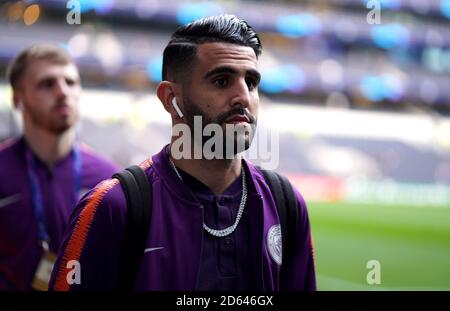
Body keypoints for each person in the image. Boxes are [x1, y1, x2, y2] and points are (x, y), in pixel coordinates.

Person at [50, 15, 316, 291]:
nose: (244, 97)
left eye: (250, 82)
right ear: (170, 99)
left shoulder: (286, 203)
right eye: (222, 81)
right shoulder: (114, 207)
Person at [0, 44, 119, 290]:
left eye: (71, 82)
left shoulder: (108, 177)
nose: (63, 92)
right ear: (17, 99)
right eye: (47, 84)